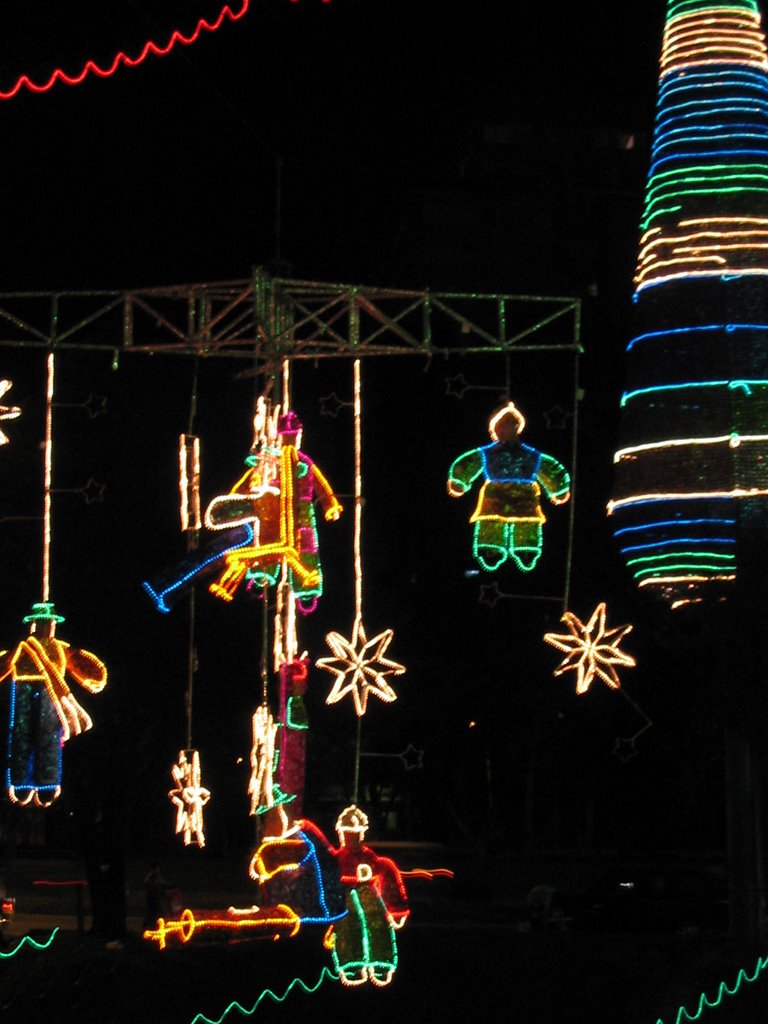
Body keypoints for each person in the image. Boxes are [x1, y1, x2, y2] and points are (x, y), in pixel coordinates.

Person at [447, 402, 570, 572]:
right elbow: (470, 462)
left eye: (509, 424)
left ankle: (526, 550)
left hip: (524, 497)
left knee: (526, 525)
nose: (504, 429)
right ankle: (490, 549)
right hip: (495, 496)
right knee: (491, 523)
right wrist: (459, 480)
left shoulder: (530, 455)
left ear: (517, 427)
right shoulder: (487, 453)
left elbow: (548, 467)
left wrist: (558, 487)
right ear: (496, 429)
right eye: (501, 425)